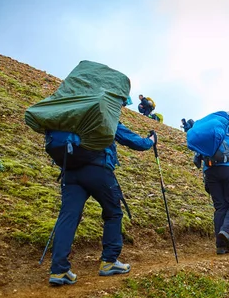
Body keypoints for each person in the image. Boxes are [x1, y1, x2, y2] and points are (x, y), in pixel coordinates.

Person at [48, 119, 155, 286]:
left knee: (68, 216)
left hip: (70, 170)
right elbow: (134, 141)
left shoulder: (69, 113)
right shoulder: (104, 112)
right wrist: (151, 141)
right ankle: (109, 261)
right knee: (113, 212)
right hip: (98, 168)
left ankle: (59, 269)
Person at [190, 112, 229, 255]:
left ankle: (220, 245)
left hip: (211, 171)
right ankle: (226, 231)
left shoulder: (210, 134)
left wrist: (206, 178)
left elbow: (200, 157)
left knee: (220, 207)